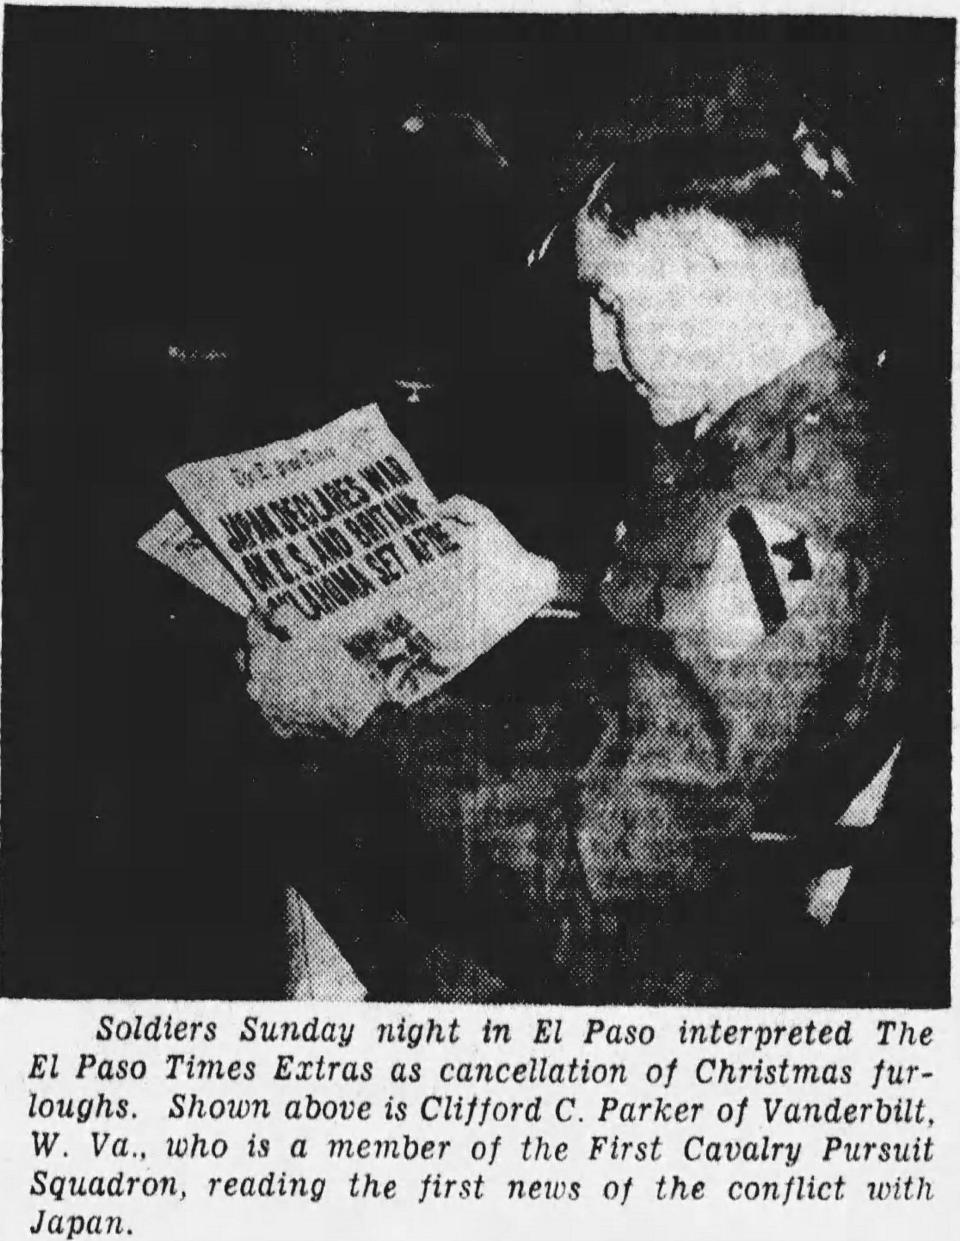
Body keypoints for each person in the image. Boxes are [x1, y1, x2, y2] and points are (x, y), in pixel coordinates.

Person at [244, 66, 901, 1003]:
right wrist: (550, 582)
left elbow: (591, 893)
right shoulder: (806, 423)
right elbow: (710, 640)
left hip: (616, 968)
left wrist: (355, 715)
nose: (597, 349)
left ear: (712, 264)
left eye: (613, 303)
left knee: (297, 810)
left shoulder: (786, 512)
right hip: (623, 828)